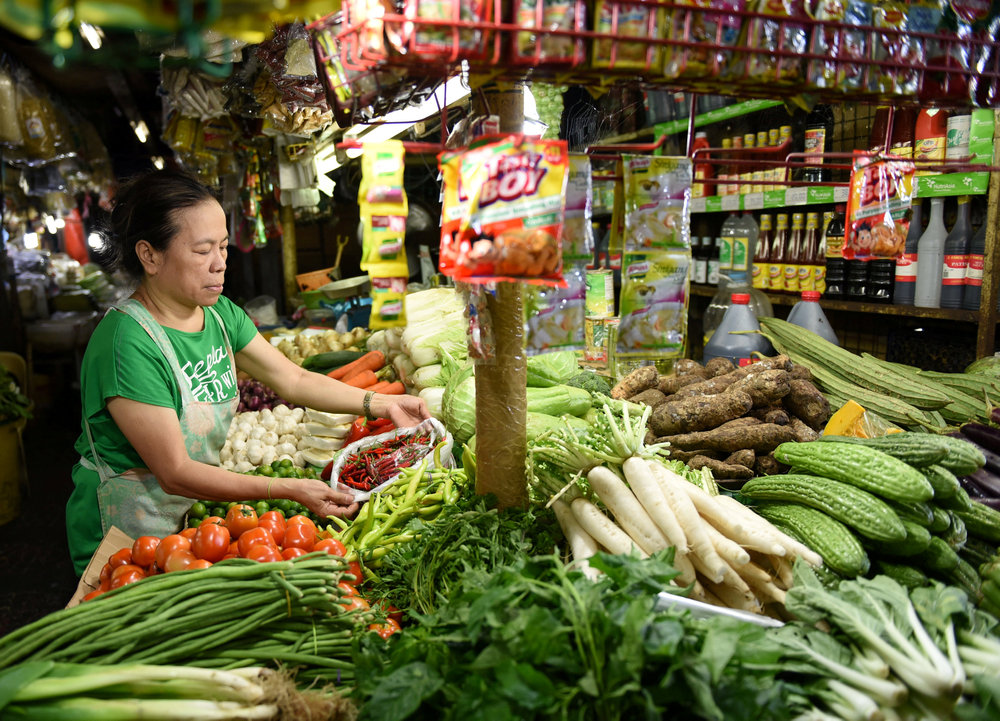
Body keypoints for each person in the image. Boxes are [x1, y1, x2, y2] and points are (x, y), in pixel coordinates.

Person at [66, 169, 430, 575]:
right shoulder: (126, 342)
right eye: (202, 251)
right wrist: (288, 489)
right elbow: (175, 471)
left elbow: (294, 379)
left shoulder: (219, 315)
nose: (220, 264)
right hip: (127, 531)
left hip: (191, 519)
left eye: (223, 247)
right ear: (149, 255)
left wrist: (381, 402)